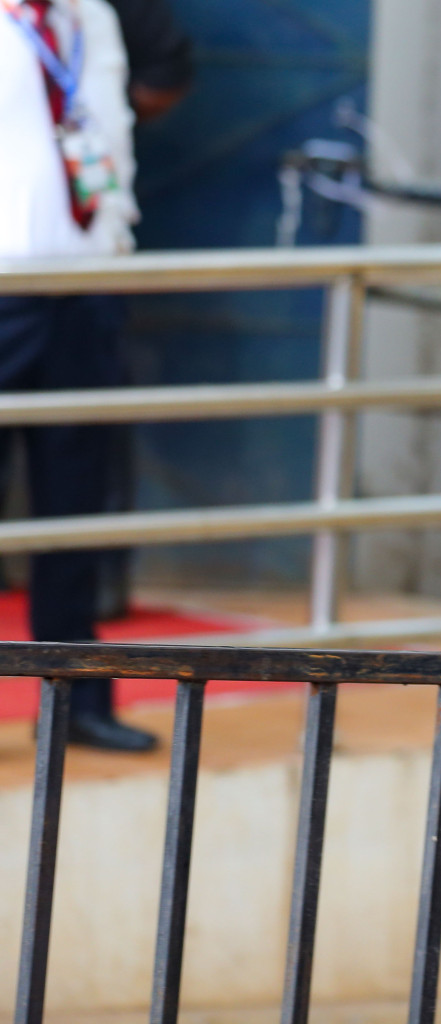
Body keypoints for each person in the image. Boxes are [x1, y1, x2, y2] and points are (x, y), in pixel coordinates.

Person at [1, 0, 157, 750]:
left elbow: (111, 128)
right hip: (4, 283)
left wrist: (114, 232)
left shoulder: (88, 16)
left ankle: (78, 701)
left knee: (76, 505)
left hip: (83, 286)